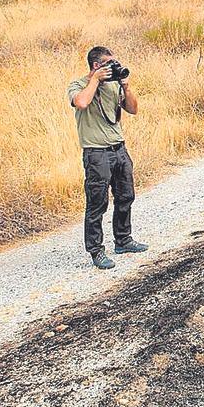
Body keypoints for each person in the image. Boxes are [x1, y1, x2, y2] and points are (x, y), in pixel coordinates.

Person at [68, 46, 148, 269]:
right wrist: (95, 81)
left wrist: (125, 87)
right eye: (109, 64)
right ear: (96, 65)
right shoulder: (78, 85)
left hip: (118, 149)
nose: (114, 67)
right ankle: (96, 251)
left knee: (126, 196)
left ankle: (123, 239)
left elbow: (133, 109)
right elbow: (82, 102)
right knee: (97, 203)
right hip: (96, 153)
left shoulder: (114, 86)